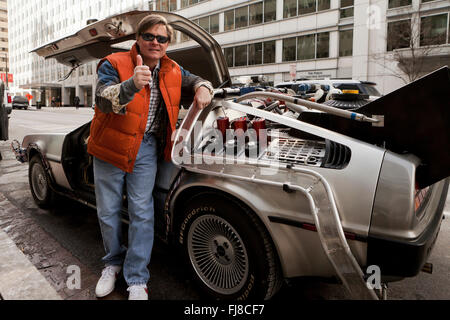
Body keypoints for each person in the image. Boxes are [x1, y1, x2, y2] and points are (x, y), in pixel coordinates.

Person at [88, 14, 213, 300]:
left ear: (168, 44)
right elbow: (102, 100)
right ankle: (112, 264)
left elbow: (196, 80)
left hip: (145, 149)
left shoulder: (173, 68)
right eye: (149, 36)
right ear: (139, 38)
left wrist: (203, 86)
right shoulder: (114, 63)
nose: (155, 42)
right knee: (108, 211)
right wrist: (131, 84)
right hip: (109, 147)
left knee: (142, 212)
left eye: (162, 38)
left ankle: (136, 278)